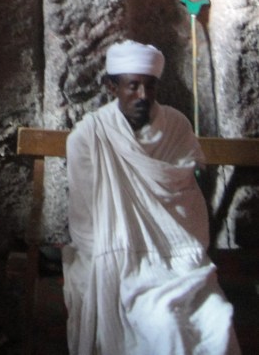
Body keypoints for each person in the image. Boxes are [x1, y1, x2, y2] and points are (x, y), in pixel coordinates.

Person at [63, 39, 240, 355]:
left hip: (177, 254)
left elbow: (188, 192)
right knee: (163, 324)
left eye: (150, 87)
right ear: (111, 87)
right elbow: (85, 217)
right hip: (120, 254)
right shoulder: (89, 135)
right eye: (132, 87)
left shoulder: (175, 125)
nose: (142, 96)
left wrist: (184, 179)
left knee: (217, 321)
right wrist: (112, 261)